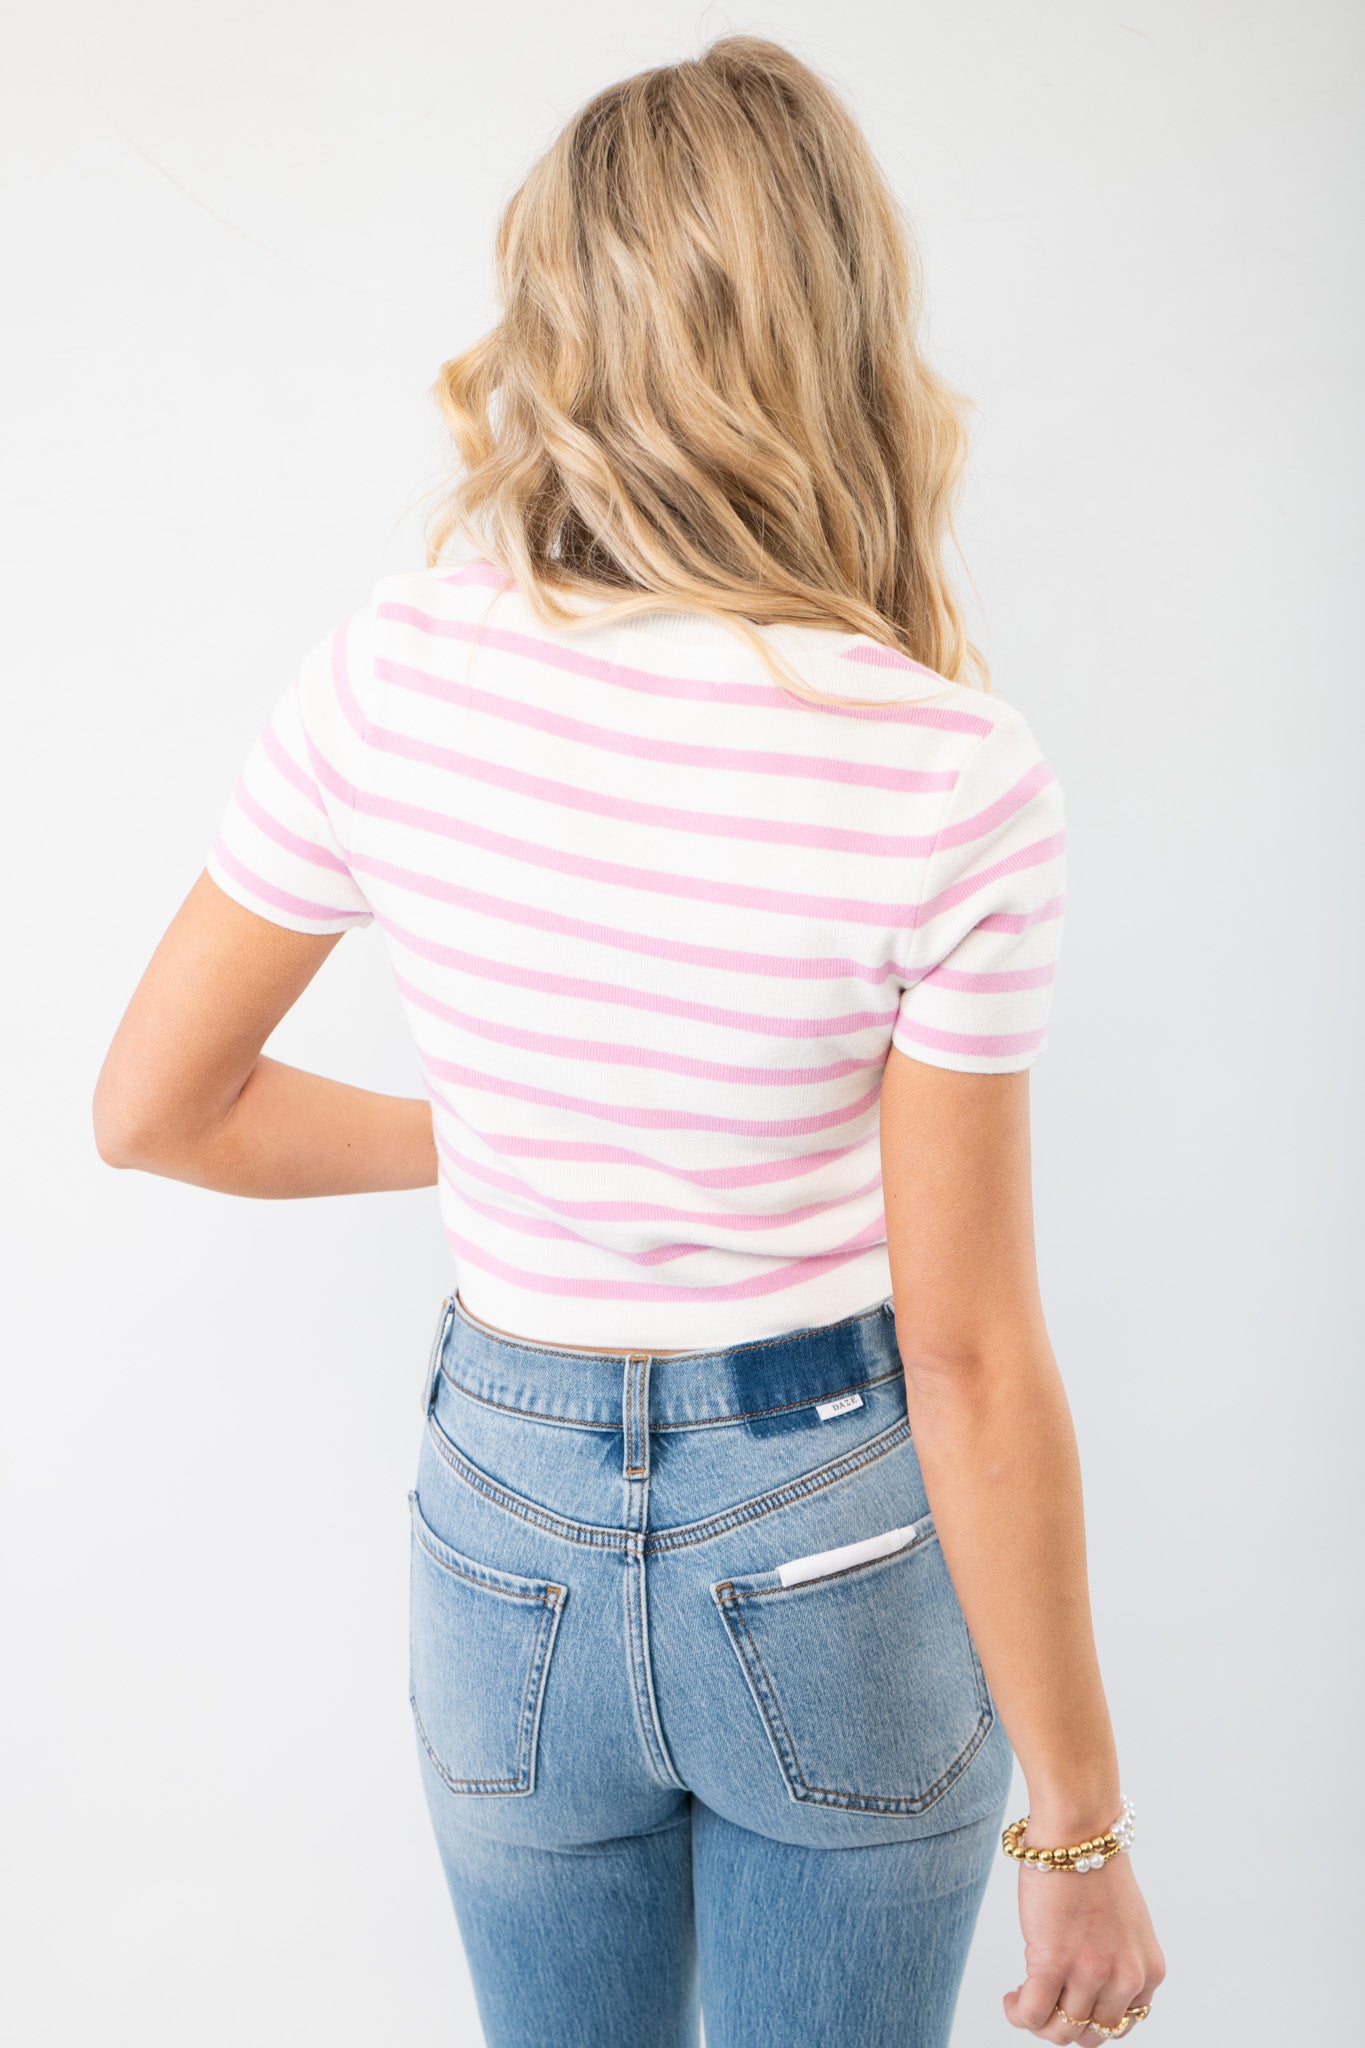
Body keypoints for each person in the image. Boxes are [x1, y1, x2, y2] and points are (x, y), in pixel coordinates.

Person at [93, 34, 1166, 2048]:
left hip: (503, 1531)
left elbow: (159, 1107)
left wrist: (500, 1128)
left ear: (556, 318)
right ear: (839, 330)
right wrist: (1080, 1829)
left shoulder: (391, 668)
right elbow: (960, 1352)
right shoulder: (944, 770)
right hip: (827, 1524)